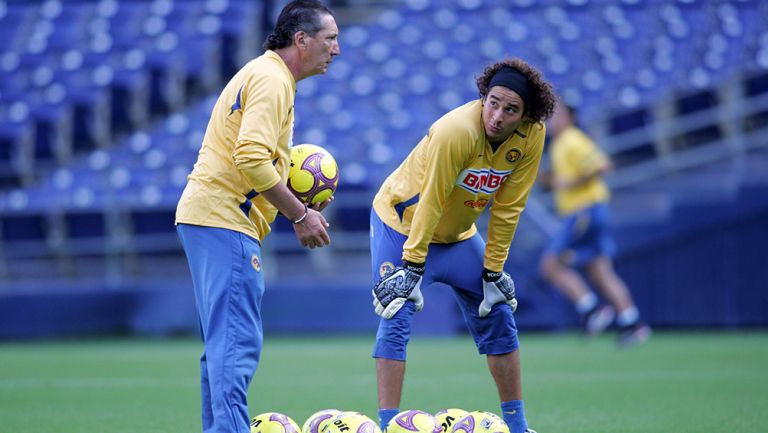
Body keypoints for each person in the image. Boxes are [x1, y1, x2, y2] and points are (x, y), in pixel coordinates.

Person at [175, 1, 340, 432]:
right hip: (223, 217)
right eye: (330, 39)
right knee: (236, 343)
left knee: (222, 346)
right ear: (301, 40)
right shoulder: (272, 79)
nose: (337, 49)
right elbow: (250, 157)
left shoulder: (264, 74)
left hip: (209, 214)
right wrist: (299, 213)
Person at [370, 58, 556, 433]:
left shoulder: (533, 136)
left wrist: (493, 270)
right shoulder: (455, 131)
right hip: (404, 229)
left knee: (499, 314)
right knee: (395, 314)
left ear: (527, 115)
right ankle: (389, 426)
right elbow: (432, 199)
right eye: (493, 102)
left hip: (458, 237)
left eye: (511, 109)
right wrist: (413, 265)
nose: (498, 115)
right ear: (483, 97)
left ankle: (517, 427)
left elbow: (509, 206)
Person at [538, 100, 651, 347]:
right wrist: (551, 179)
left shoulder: (572, 139)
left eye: (557, 115)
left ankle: (591, 309)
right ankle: (632, 322)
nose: (552, 120)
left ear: (570, 117)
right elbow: (563, 179)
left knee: (550, 264)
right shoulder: (560, 144)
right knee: (600, 270)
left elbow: (602, 165)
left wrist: (570, 183)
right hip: (593, 209)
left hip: (583, 211)